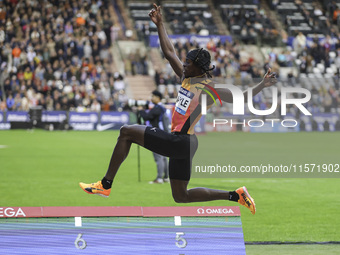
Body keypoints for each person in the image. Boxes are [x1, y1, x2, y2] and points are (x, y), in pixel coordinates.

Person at [79, 4, 277, 215]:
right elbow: (169, 52)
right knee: (180, 196)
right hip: (185, 143)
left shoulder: (209, 89)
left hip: (181, 141)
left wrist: (262, 85)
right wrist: (160, 24)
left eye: (188, 63)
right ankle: (235, 195)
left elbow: (242, 97)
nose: (183, 64)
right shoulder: (186, 78)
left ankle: (105, 184)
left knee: (126, 132)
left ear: (198, 66)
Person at [138, 90, 169, 184]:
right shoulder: (161, 108)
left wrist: (140, 110)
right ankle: (165, 177)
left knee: (158, 157)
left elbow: (147, 117)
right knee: (163, 157)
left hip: (157, 135)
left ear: (158, 98)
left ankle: (159, 178)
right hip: (163, 134)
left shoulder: (158, 108)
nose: (151, 98)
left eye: (153, 96)